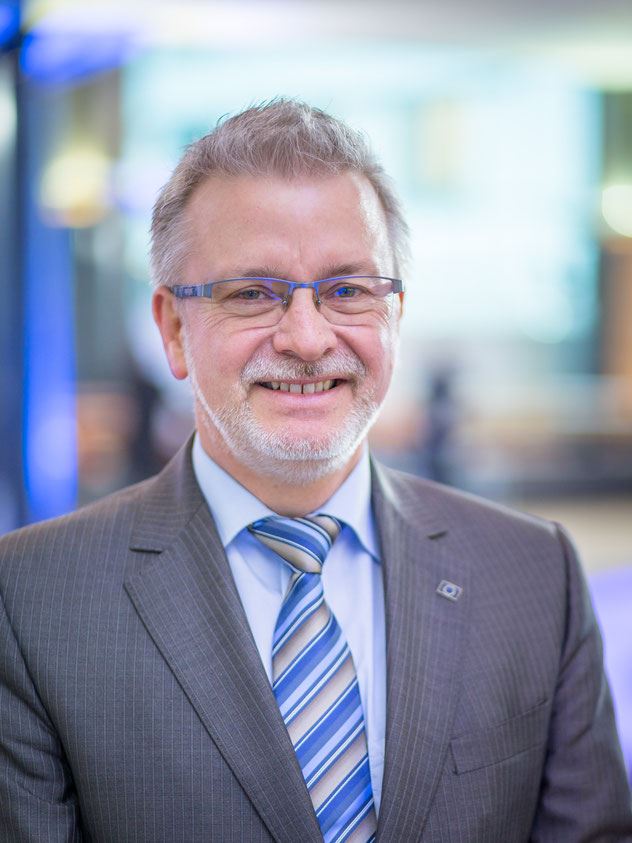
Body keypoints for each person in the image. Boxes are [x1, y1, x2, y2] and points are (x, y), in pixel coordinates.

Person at [0, 99, 630, 843]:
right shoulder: (33, 599)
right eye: (252, 294)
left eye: (348, 290)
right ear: (173, 329)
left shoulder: (534, 575)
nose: (306, 338)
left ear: (396, 315)